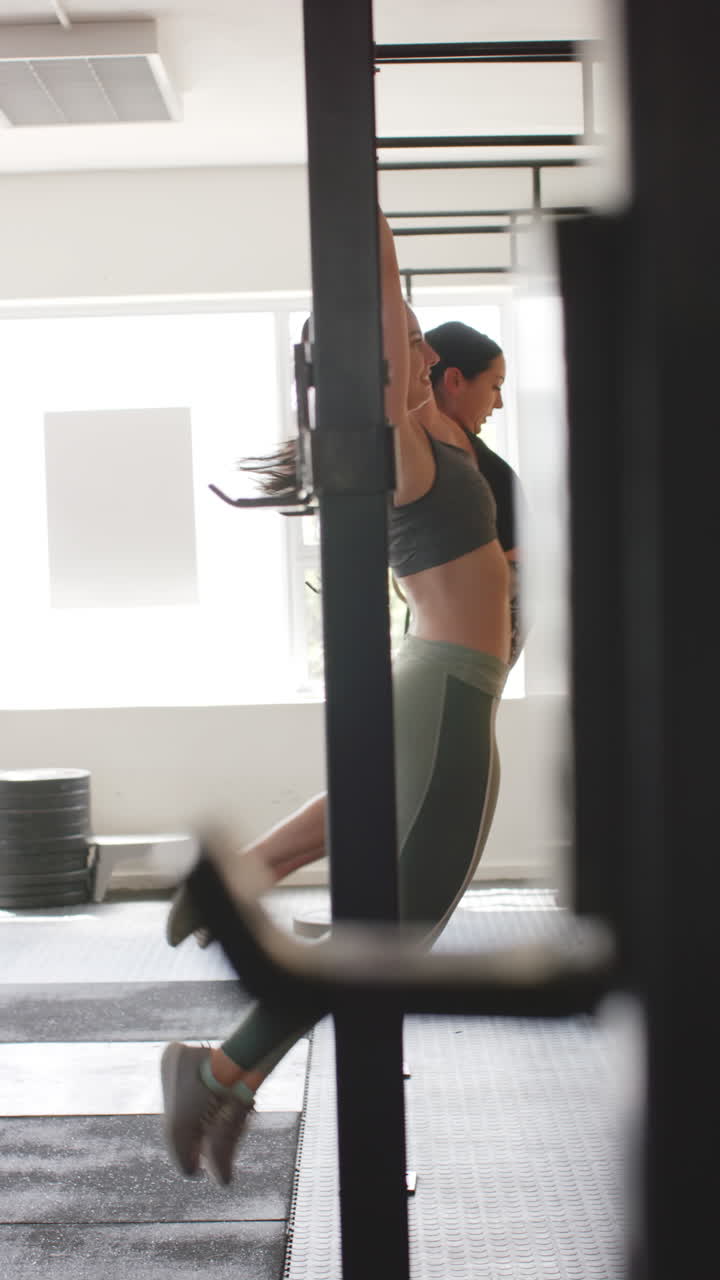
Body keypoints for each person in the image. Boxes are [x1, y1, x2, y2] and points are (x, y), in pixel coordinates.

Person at [160, 212, 512, 1186]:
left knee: (386, 894)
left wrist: (386, 243)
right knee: (392, 935)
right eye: (407, 343)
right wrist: (373, 223)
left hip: (450, 690)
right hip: (445, 685)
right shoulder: (402, 440)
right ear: (396, 372)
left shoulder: (445, 438)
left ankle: (228, 1047)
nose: (420, 342)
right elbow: (384, 325)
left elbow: (399, 328)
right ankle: (217, 1070)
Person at [412, 320, 529, 664]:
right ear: (454, 380)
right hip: (473, 634)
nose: (499, 404)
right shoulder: (441, 452)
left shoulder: (451, 450)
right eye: (495, 386)